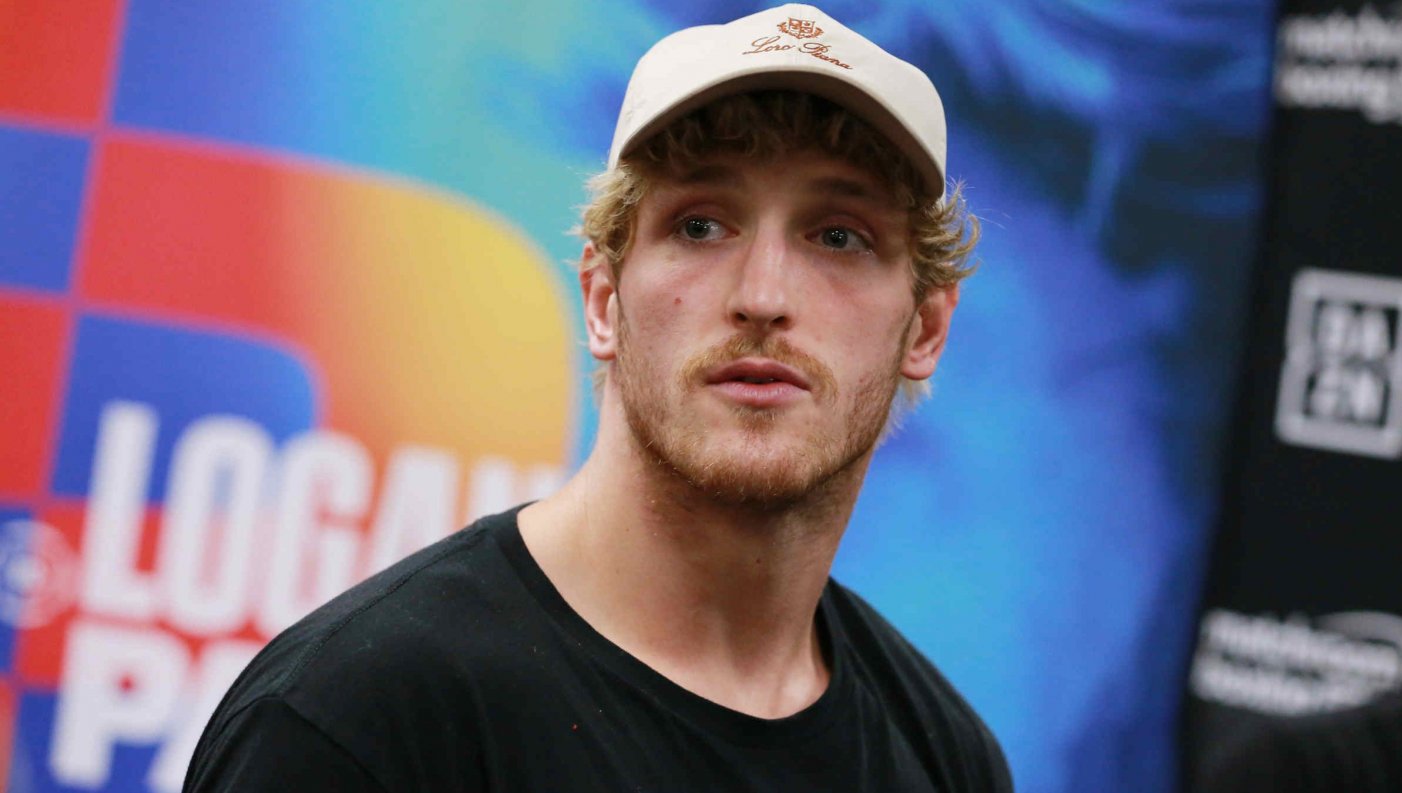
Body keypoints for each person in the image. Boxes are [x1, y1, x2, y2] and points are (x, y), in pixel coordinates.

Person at [184, 4, 1011, 791]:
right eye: (700, 225)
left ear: (926, 328)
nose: (763, 296)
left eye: (838, 236)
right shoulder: (356, 717)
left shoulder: (943, 757)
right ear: (603, 301)